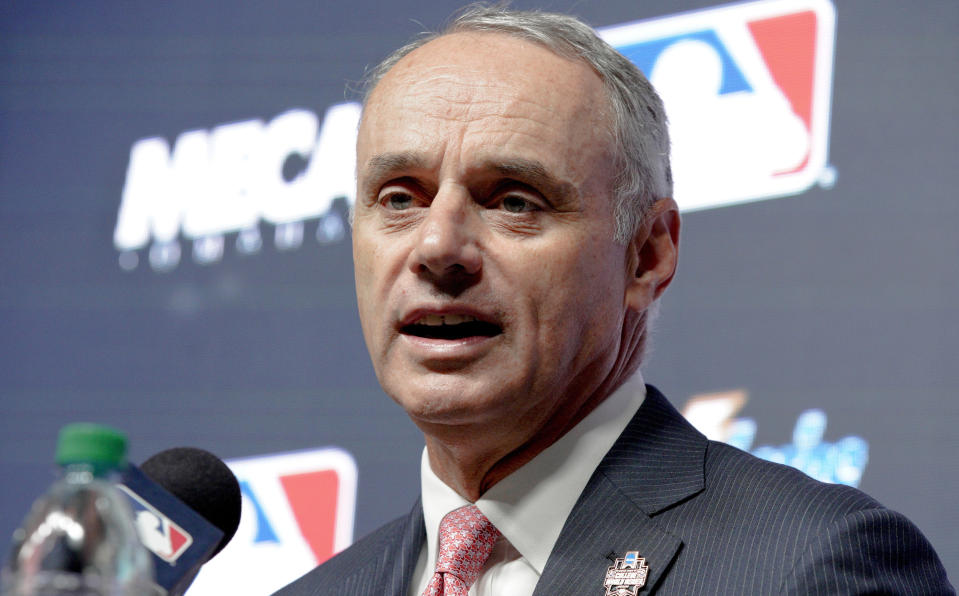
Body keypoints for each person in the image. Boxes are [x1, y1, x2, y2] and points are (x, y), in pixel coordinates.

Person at [277, 5, 952, 595]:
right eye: (399, 197)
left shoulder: (809, 565)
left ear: (647, 253)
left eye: (513, 199)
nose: (437, 246)